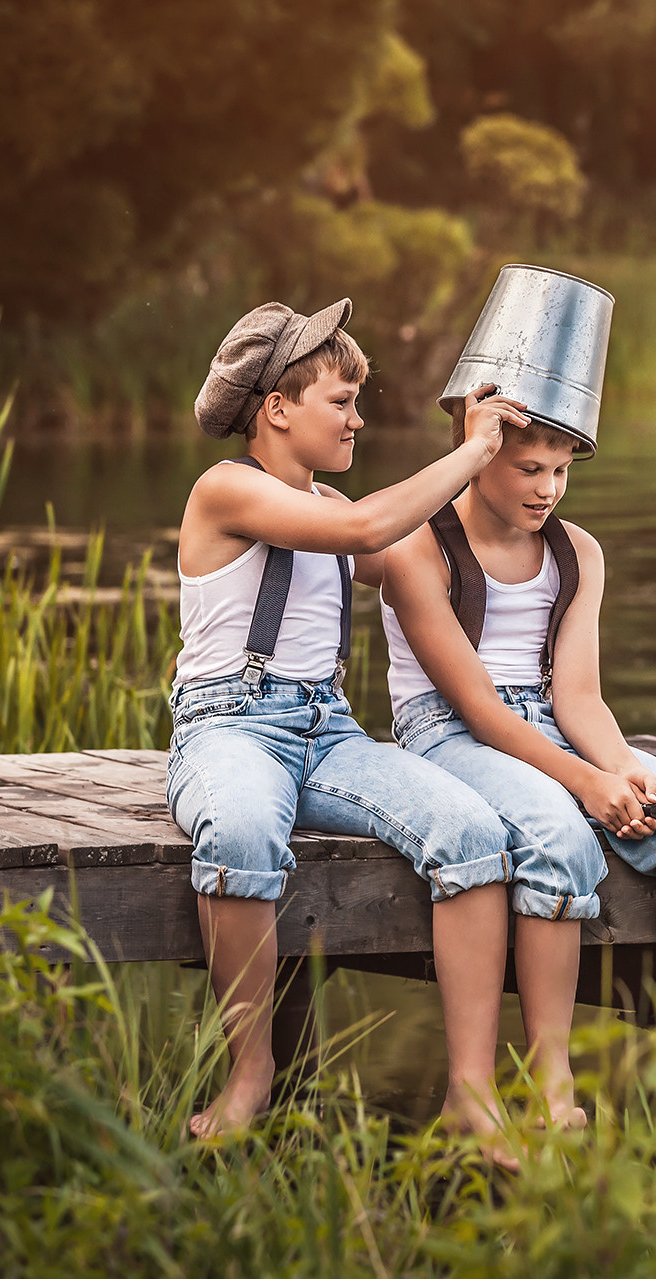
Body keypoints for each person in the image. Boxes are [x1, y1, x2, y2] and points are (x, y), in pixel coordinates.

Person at [171, 299, 536, 1143]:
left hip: (326, 731)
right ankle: (250, 1072)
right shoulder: (226, 489)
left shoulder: (331, 504)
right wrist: (474, 451)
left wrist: (476, 457)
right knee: (239, 833)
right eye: (341, 402)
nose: (358, 418)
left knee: (475, 833)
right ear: (275, 410)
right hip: (230, 728)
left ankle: (471, 1098)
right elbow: (370, 524)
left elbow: (398, 531)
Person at [378, 395, 656, 1132]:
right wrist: (584, 784)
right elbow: (478, 710)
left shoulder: (578, 552)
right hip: (448, 731)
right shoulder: (418, 550)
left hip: (548, 725)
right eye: (531, 468)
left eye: (562, 470)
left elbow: (578, 696)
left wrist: (620, 766)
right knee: (557, 840)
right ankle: (551, 1080)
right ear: (478, 453)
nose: (548, 488)